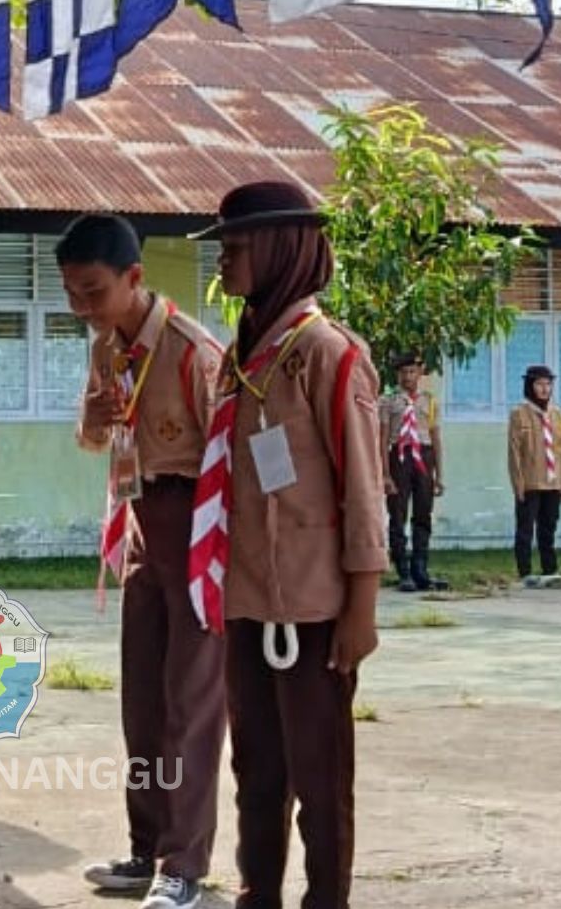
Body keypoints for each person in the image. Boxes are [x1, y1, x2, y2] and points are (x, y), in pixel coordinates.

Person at [194, 181, 384, 909]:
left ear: (279, 248)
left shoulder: (326, 354)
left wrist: (359, 608)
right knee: (258, 772)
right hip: (247, 598)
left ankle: (326, 899)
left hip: (313, 609)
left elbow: (363, 491)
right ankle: (258, 894)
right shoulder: (240, 354)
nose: (226, 263)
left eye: (235, 248)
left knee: (320, 775)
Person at [59, 213, 226, 909]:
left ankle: (184, 862)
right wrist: (96, 418)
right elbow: (93, 440)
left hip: (196, 526)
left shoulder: (191, 352)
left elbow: (228, 460)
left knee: (191, 702)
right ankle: (145, 845)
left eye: (94, 291)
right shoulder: (106, 347)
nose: (83, 307)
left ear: (135, 278)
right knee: (143, 701)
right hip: (140, 528)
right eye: (72, 293)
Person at [378, 354, 445, 593]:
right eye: (404, 372)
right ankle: (403, 570)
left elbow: (436, 437)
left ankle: (421, 569)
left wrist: (439, 475)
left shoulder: (429, 401)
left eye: (412, 372)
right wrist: (385, 474)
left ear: (420, 374)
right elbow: (383, 437)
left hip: (424, 457)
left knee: (423, 514)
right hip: (400, 456)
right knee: (397, 513)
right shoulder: (388, 401)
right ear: (398, 375)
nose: (408, 377)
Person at [508, 365, 561, 586]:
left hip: (552, 482)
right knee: (526, 527)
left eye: (548, 384)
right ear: (529, 386)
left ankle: (550, 569)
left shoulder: (558, 415)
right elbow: (514, 451)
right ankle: (525, 571)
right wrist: (518, 483)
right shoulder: (519, 413)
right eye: (539, 384)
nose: (544, 389)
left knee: (549, 527)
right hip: (530, 481)